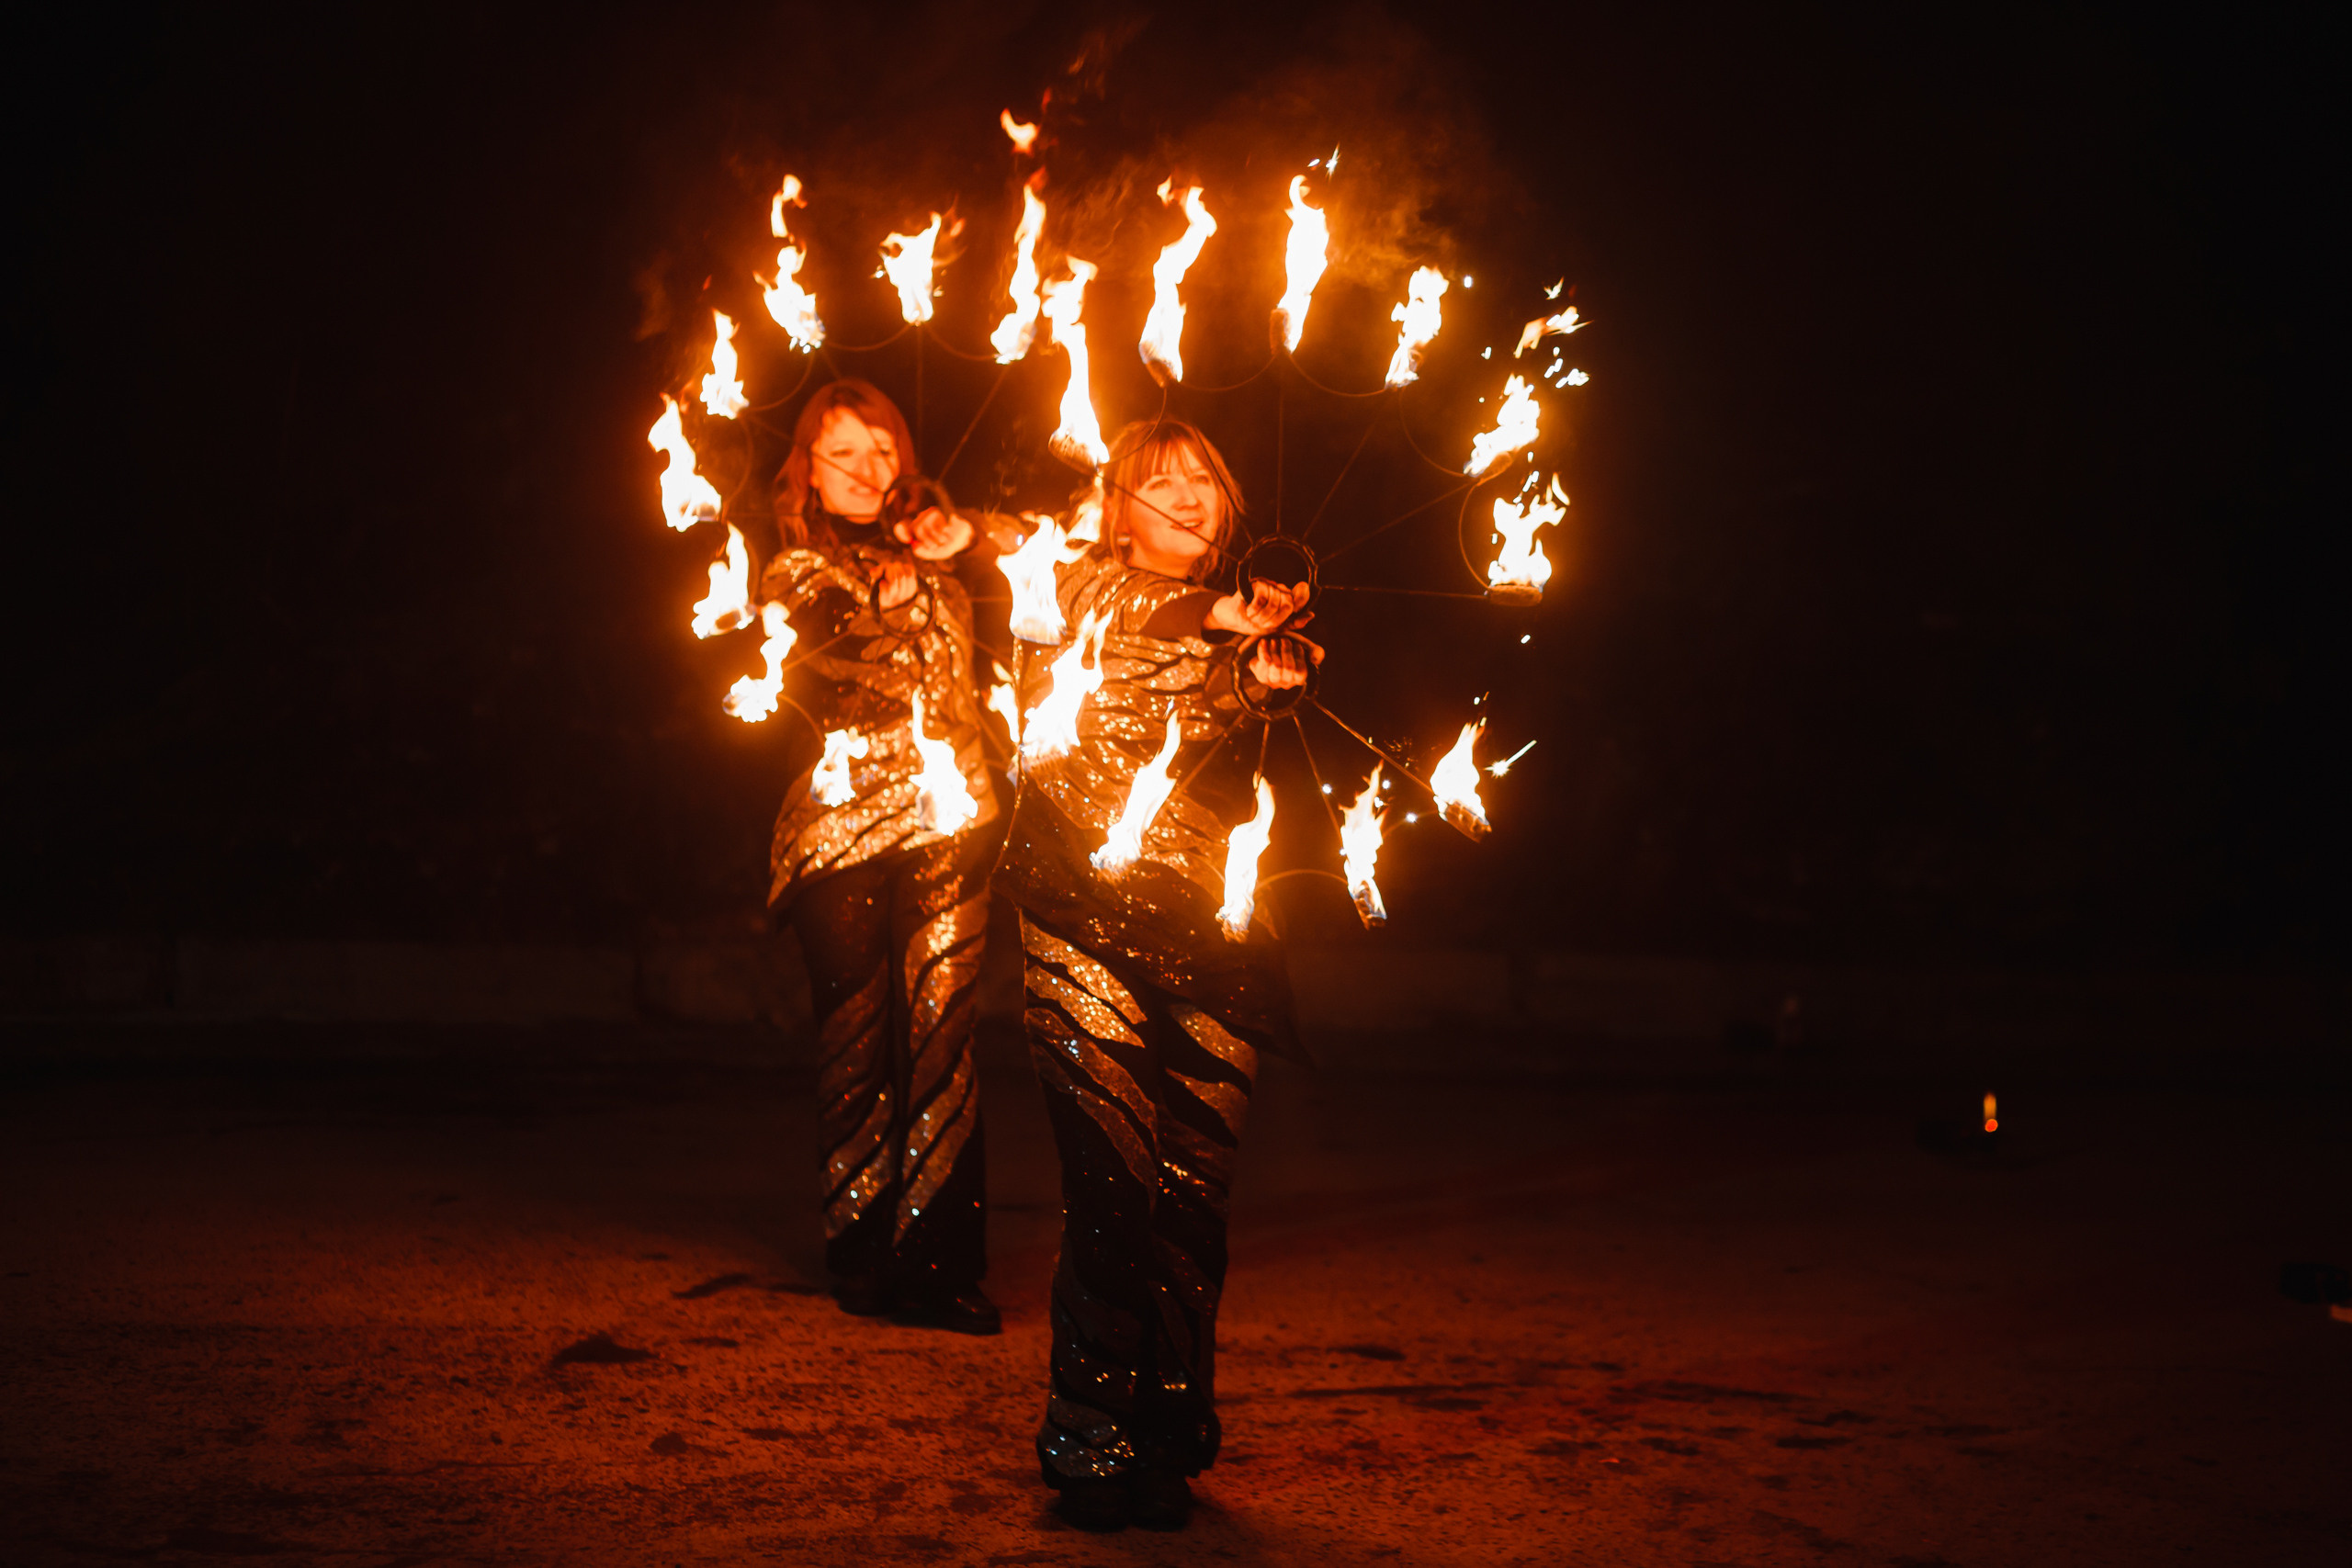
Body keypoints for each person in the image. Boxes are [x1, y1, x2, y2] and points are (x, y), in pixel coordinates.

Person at [994, 417, 1319, 1529]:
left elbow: (1223, 716)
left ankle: (1169, 1431)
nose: (1187, 497)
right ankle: (1089, 1436)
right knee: (1110, 1186)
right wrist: (1226, 618)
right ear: (1113, 510)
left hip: (1214, 933)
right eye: (1159, 482)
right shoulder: (1072, 590)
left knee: (1192, 1195)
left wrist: (1261, 679)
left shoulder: (1232, 628)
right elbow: (1138, 611)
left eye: (1203, 481)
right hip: (1080, 919)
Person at [760, 378, 1005, 1335]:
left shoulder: (947, 555)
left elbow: (1043, 558)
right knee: (856, 1039)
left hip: (951, 822)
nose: (867, 469)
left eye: (881, 449)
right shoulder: (794, 569)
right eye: (843, 454)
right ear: (810, 475)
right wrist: (874, 587)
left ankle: (938, 1265)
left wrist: (963, 534)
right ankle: (860, 1246)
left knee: (943, 1032)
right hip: (838, 834)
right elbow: (816, 620)